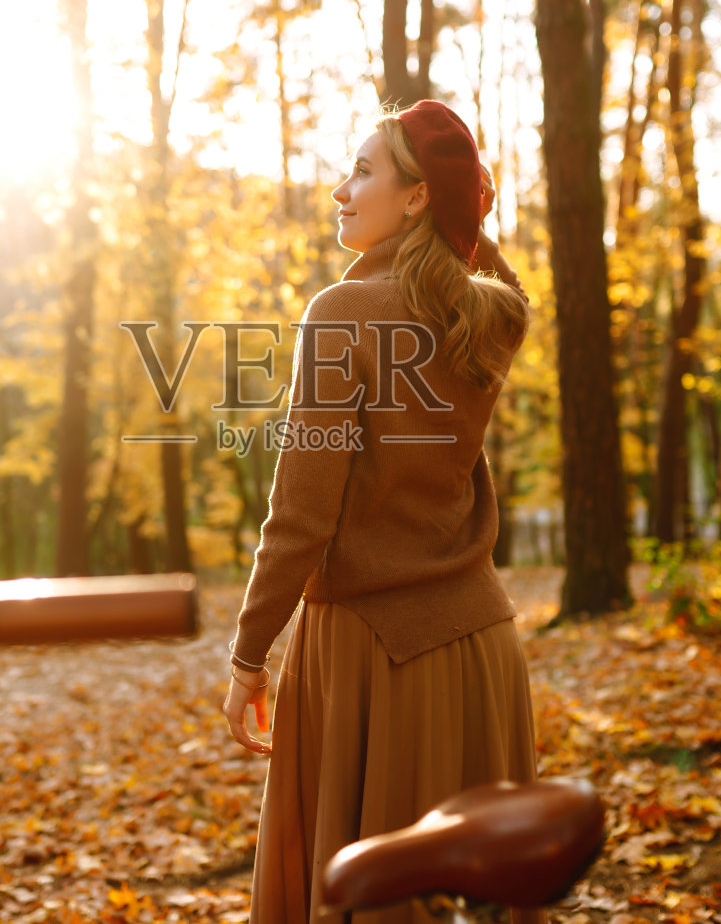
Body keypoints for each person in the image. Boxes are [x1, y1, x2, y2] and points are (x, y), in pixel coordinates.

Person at [222, 100, 544, 924]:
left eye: (363, 170)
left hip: (374, 659)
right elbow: (495, 273)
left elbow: (301, 514)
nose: (339, 189)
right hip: (481, 651)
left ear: (415, 197)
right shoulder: (488, 318)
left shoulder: (342, 314)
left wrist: (249, 654)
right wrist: (458, 202)